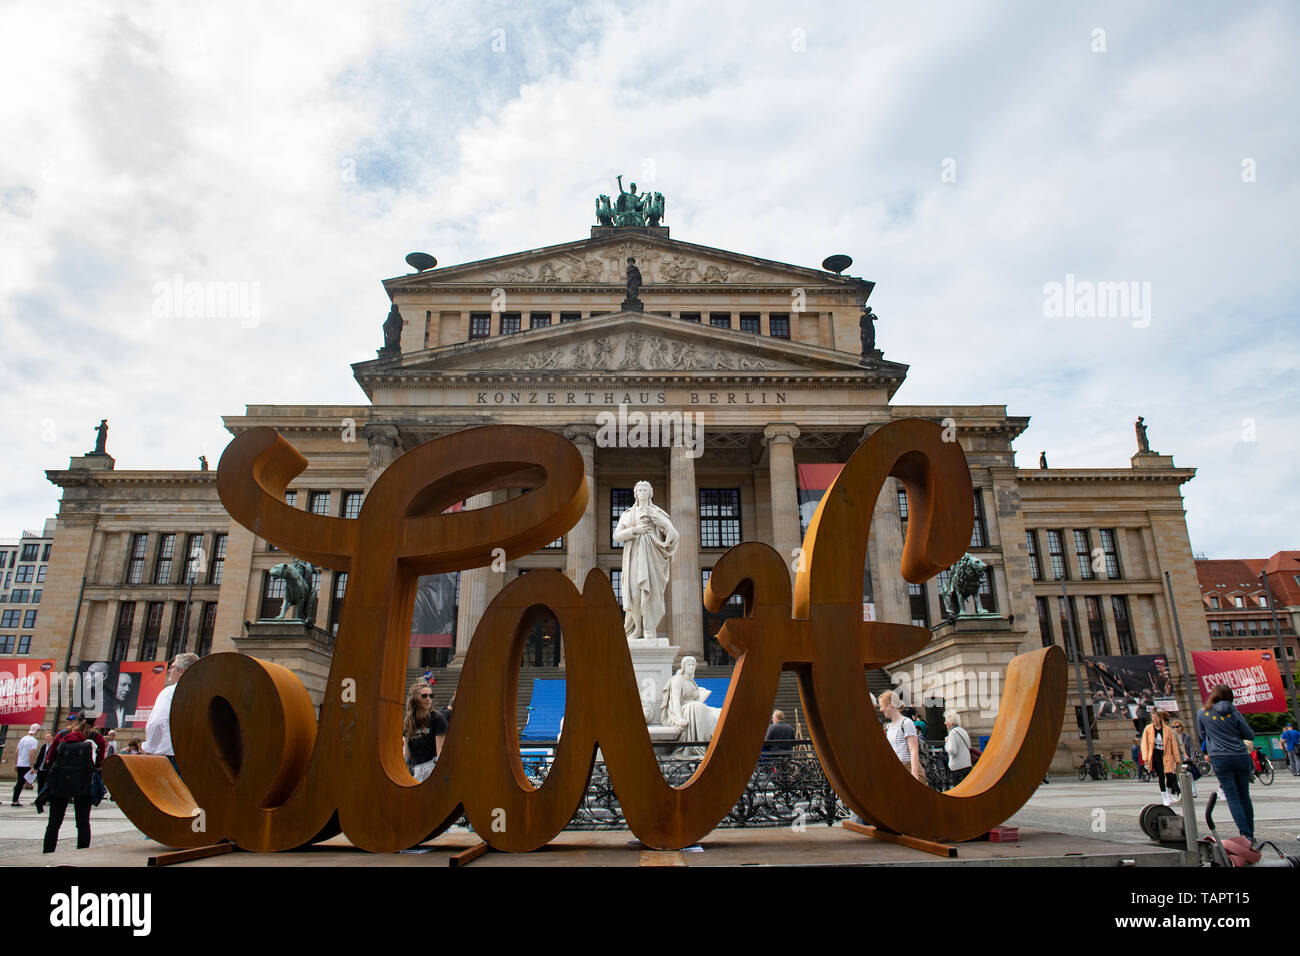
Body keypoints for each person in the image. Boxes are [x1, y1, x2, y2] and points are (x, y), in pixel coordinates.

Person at [1196, 684, 1257, 845]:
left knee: (1232, 796)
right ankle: (1250, 833)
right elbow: (1250, 734)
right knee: (1244, 795)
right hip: (1240, 755)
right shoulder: (1234, 712)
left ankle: (1245, 835)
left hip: (1219, 757)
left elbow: (1202, 735)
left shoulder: (1203, 712)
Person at [41, 712, 105, 853]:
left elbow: (50, 760)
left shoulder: (62, 735)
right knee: (83, 823)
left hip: (60, 783)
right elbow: (99, 763)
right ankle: (82, 854)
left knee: (53, 823)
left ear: (76, 720)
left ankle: (47, 853)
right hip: (83, 783)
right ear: (94, 723)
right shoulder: (98, 738)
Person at [143, 652, 200, 769]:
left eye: (172, 667)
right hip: (197, 759)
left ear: (182, 671)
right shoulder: (204, 693)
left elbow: (157, 722)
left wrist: (149, 748)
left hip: (170, 756)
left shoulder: (169, 692)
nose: (169, 670)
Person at [403, 681, 447, 783]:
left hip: (432, 767)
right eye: (424, 696)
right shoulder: (409, 722)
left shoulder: (437, 718)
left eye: (431, 696)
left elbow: (440, 752)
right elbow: (407, 755)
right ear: (415, 699)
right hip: (417, 770)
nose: (428, 699)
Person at [878, 690, 922, 782]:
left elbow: (914, 750)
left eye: (882, 706)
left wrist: (914, 774)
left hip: (908, 769)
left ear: (891, 704)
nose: (880, 709)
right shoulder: (888, 727)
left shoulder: (906, 722)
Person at [1140, 710, 1182, 805]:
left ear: (1159, 718)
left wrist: (1177, 758)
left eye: (1155, 717)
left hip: (1167, 754)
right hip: (1155, 755)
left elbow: (1174, 745)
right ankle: (1164, 796)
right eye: (1152, 718)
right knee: (1161, 776)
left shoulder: (1167, 730)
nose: (1154, 720)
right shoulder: (1148, 729)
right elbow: (1144, 744)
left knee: (1170, 775)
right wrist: (1145, 758)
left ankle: (1169, 794)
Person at [10, 723, 40, 806]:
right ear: (37, 731)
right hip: (26, 764)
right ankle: (15, 801)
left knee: (19, 781)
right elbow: (31, 754)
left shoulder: (23, 739)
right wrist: (32, 766)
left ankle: (15, 799)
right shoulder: (34, 741)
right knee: (21, 782)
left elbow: (17, 751)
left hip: (20, 763)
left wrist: (16, 763)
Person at [943, 711, 973, 788]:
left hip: (957, 768)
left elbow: (953, 751)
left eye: (946, 721)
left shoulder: (953, 733)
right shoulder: (963, 731)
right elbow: (969, 746)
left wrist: (946, 744)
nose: (945, 723)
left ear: (950, 722)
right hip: (967, 765)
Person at [1171, 719, 1199, 795]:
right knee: (1179, 776)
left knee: (1189, 774)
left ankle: (1193, 791)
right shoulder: (1172, 737)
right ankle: (1183, 792)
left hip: (1186, 757)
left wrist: (1192, 759)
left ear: (1181, 727)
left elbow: (1191, 748)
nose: (1175, 728)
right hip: (1178, 757)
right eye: (1173, 727)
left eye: (1177, 726)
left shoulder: (1187, 736)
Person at [33, 731, 55, 812]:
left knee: (47, 784)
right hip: (41, 768)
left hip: (48, 768)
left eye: (48, 736)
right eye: (46, 736)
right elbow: (40, 757)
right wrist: (35, 767)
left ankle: (46, 799)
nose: (47, 737)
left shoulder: (53, 746)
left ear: (52, 737)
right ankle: (39, 798)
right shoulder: (44, 746)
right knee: (40, 784)